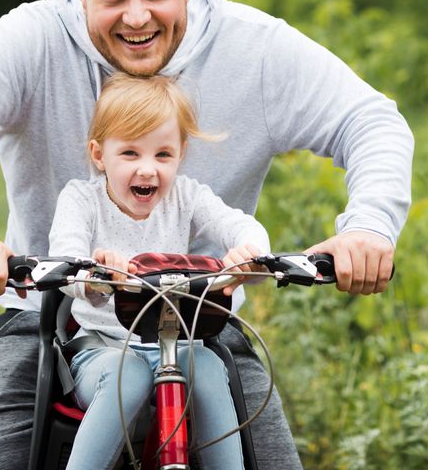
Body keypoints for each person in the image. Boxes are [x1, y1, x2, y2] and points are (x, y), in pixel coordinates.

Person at [0, 0, 413, 470]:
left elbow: (372, 121)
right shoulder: (33, 39)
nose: (137, 17)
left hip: (201, 321)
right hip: (54, 314)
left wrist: (368, 227)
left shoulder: (256, 50)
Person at [52, 73, 268, 470]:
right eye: (130, 153)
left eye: (162, 155)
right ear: (100, 155)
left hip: (178, 342)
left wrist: (250, 252)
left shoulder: (188, 196)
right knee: (128, 377)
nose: (148, 170)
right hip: (103, 346)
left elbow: (238, 224)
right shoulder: (81, 200)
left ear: (181, 153)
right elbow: (66, 261)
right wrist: (95, 276)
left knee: (208, 368)